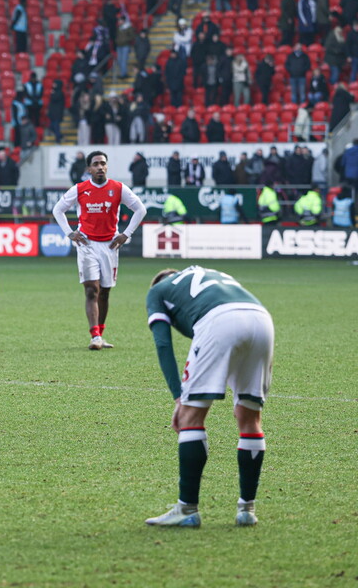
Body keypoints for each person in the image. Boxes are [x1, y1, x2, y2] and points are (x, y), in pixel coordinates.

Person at [144, 266, 274, 528]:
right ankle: (246, 509)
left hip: (219, 321)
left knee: (190, 417)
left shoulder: (157, 291)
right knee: (249, 417)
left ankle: (187, 509)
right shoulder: (212, 275)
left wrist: (178, 397)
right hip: (261, 319)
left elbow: (162, 343)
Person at [52, 151, 147, 350]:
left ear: (107, 166)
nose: (100, 167)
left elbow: (140, 209)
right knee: (91, 290)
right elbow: (57, 210)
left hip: (110, 246)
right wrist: (70, 233)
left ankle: (100, 334)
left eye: (103, 163)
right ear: (89, 169)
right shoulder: (80, 189)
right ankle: (94, 335)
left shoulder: (118, 188)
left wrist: (126, 234)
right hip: (87, 245)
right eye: (96, 164)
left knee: (104, 292)